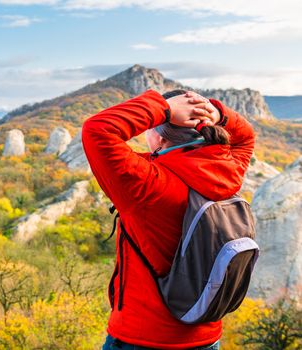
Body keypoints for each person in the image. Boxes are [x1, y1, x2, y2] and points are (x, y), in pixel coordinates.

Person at [81, 89, 255, 350]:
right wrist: (217, 112)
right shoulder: (228, 170)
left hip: (143, 337)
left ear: (160, 138)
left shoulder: (146, 185)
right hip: (206, 335)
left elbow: (97, 129)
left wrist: (164, 108)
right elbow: (246, 136)